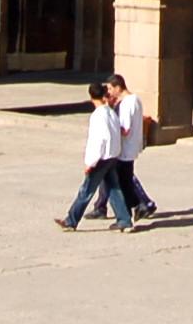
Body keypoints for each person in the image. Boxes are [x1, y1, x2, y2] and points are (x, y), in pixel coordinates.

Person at [56, 80, 130, 232]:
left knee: (86, 190)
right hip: (112, 156)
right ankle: (124, 220)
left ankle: (71, 220)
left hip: (101, 158)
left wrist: (91, 162)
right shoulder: (111, 112)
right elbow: (115, 134)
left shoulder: (98, 115)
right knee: (113, 189)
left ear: (91, 97)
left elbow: (98, 140)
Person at [108, 71, 159, 221]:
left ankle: (140, 205)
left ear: (118, 87)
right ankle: (141, 204)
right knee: (127, 177)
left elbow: (125, 128)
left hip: (125, 148)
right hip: (132, 145)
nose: (110, 92)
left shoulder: (127, 104)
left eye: (111, 89)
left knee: (125, 179)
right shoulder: (136, 99)